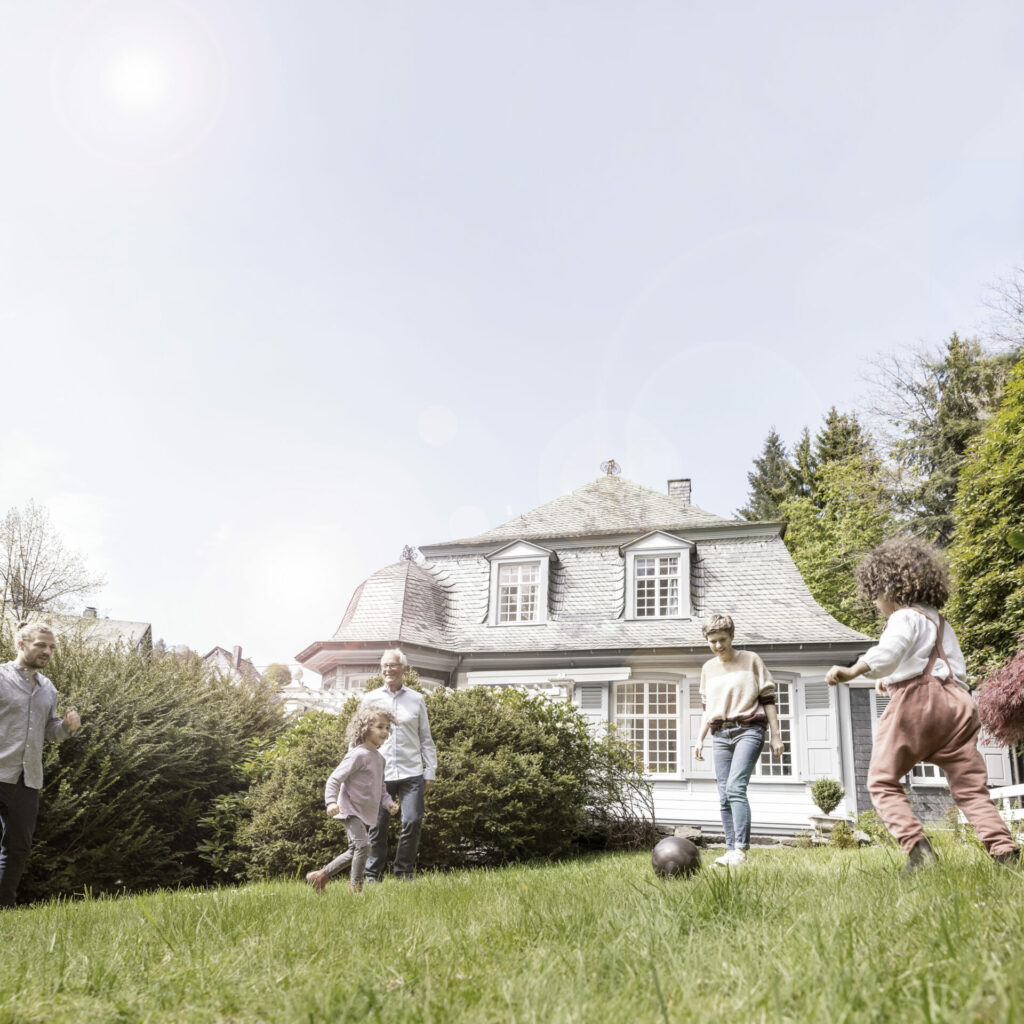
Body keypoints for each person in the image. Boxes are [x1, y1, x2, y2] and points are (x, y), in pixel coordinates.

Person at [825, 537, 1020, 872]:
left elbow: (889, 652)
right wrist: (890, 679)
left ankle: (919, 851)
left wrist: (854, 669)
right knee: (971, 789)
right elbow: (942, 666)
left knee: (883, 780)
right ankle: (1005, 852)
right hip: (958, 708)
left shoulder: (903, 617)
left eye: (875, 595)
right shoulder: (939, 620)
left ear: (889, 588)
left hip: (920, 704)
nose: (875, 603)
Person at [0, 621, 81, 907]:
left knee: (18, 848)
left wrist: (67, 728)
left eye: (51, 647)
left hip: (27, 779)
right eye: (41, 645)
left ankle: (4, 907)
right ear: (21, 645)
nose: (47, 651)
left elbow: (50, 731)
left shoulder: (48, 689)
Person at [694, 614, 784, 868]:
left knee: (735, 788)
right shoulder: (708, 669)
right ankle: (731, 849)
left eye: (722, 640)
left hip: (749, 730)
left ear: (732, 636)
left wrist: (776, 736)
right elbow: (707, 708)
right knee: (724, 795)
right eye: (712, 641)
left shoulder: (751, 660)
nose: (718, 646)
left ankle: (741, 851)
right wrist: (699, 739)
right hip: (720, 734)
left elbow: (768, 699)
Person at [361, 648, 437, 881]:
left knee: (412, 820)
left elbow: (426, 737)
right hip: (379, 773)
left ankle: (403, 872)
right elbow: (358, 735)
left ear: (403, 668)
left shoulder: (416, 699)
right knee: (377, 827)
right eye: (384, 666)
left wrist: (430, 770)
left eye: (393, 665)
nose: (388, 670)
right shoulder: (370, 699)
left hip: (411, 772)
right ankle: (372, 875)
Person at [306, 706, 400, 893]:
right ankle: (356, 887)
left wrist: (388, 803)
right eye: (380, 727)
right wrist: (331, 802)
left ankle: (319, 877)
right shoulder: (357, 754)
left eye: (387, 728)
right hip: (349, 809)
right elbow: (334, 779)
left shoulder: (380, 759)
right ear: (365, 728)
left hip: (363, 812)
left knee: (355, 850)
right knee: (364, 846)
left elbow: (381, 788)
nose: (385, 731)